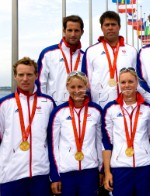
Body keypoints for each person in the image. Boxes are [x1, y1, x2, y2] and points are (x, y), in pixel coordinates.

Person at [0, 57, 56, 196]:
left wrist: (54, 175)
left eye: (29, 74)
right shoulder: (4, 104)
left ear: (36, 75)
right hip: (10, 175)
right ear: (15, 76)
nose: (25, 79)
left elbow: (52, 141)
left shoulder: (47, 103)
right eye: (21, 75)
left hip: (41, 174)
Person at [47, 71, 103, 196]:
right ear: (67, 87)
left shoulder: (96, 111)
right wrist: (55, 176)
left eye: (80, 87)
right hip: (66, 172)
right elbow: (53, 146)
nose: (76, 91)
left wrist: (101, 169)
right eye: (73, 87)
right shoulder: (59, 112)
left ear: (86, 87)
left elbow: (99, 143)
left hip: (90, 171)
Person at [102, 67, 150, 196]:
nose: (127, 85)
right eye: (123, 82)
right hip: (120, 167)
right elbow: (107, 143)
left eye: (130, 81)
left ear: (137, 83)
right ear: (119, 84)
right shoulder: (110, 109)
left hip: (144, 166)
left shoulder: (148, 109)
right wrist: (107, 172)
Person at [82, 11, 137, 108]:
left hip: (127, 106)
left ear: (119, 27)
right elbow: (85, 82)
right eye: (107, 25)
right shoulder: (91, 51)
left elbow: (138, 79)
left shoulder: (131, 51)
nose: (110, 28)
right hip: (100, 105)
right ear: (101, 28)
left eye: (113, 24)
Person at [38, 15, 84, 105]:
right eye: (70, 30)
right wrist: (45, 106)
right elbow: (40, 84)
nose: (73, 34)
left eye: (76, 31)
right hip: (54, 109)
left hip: (78, 109)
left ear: (82, 32)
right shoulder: (48, 54)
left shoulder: (85, 56)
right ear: (64, 31)